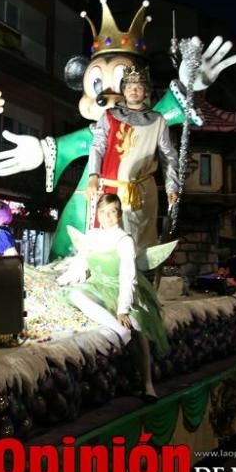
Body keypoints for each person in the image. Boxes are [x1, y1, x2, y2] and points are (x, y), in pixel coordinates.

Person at [57, 194, 169, 402]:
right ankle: (119, 332)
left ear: (119, 214)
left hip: (120, 288)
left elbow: (128, 275)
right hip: (97, 286)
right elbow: (80, 264)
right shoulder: (91, 235)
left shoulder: (124, 240)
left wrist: (123, 309)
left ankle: (147, 384)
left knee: (136, 326)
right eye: (103, 212)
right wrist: (62, 280)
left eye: (112, 211)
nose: (107, 216)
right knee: (75, 294)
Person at [86, 66, 180, 250]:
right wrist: (93, 176)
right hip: (112, 189)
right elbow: (97, 147)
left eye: (138, 86)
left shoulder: (157, 120)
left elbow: (168, 156)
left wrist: (172, 186)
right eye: (129, 86)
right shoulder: (109, 116)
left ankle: (138, 275)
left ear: (145, 91)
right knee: (109, 241)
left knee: (139, 242)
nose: (133, 90)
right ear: (123, 90)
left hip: (142, 191)